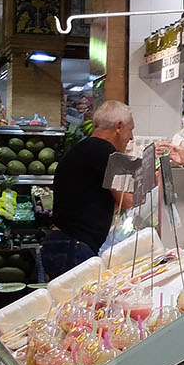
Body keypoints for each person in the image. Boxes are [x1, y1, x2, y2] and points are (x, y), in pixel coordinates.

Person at [42, 101, 134, 279]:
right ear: (119, 126)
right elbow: (126, 200)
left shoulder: (86, 148)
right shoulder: (103, 150)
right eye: (130, 130)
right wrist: (156, 181)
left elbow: (112, 202)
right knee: (79, 304)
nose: (131, 138)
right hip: (73, 247)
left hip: (63, 244)